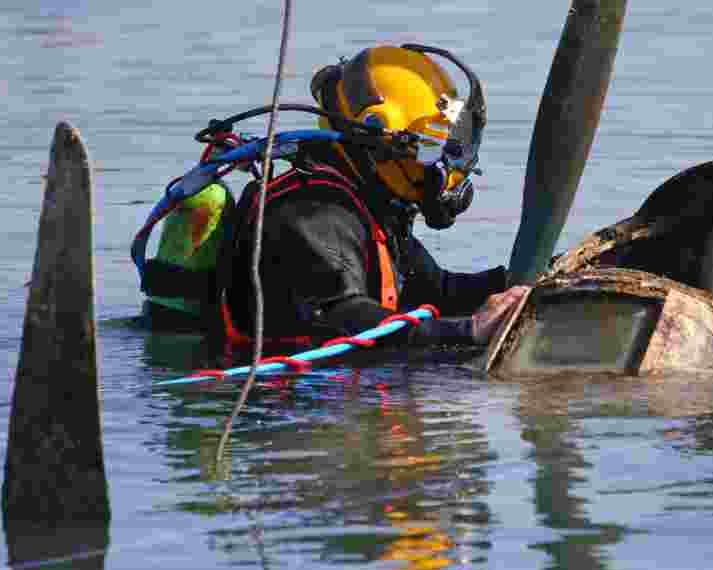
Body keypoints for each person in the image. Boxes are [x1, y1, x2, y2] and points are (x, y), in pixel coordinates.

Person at [214, 44, 529, 349]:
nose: (449, 168)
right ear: (382, 142)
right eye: (434, 148)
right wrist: (468, 331)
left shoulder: (374, 203)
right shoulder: (313, 213)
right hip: (270, 383)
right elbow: (346, 317)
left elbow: (436, 291)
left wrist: (525, 283)